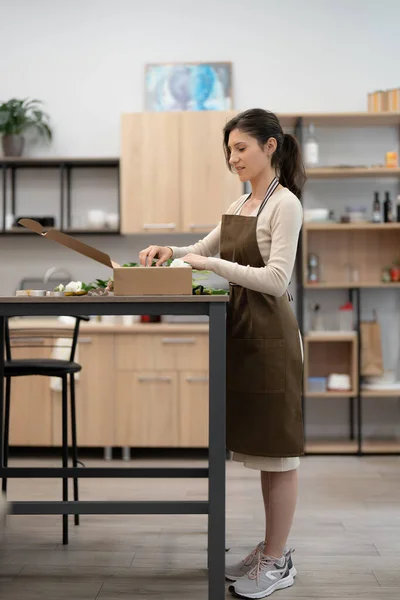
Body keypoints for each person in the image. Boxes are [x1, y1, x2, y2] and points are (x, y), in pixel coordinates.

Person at [139, 108, 305, 599]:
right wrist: (170, 252)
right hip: (245, 335)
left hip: (272, 337)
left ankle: (278, 561)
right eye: (229, 149)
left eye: (241, 148)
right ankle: (268, 548)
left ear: (269, 147)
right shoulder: (242, 202)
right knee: (260, 448)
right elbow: (201, 246)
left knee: (280, 453)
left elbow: (277, 280)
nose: (233, 157)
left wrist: (211, 264)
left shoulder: (284, 205)